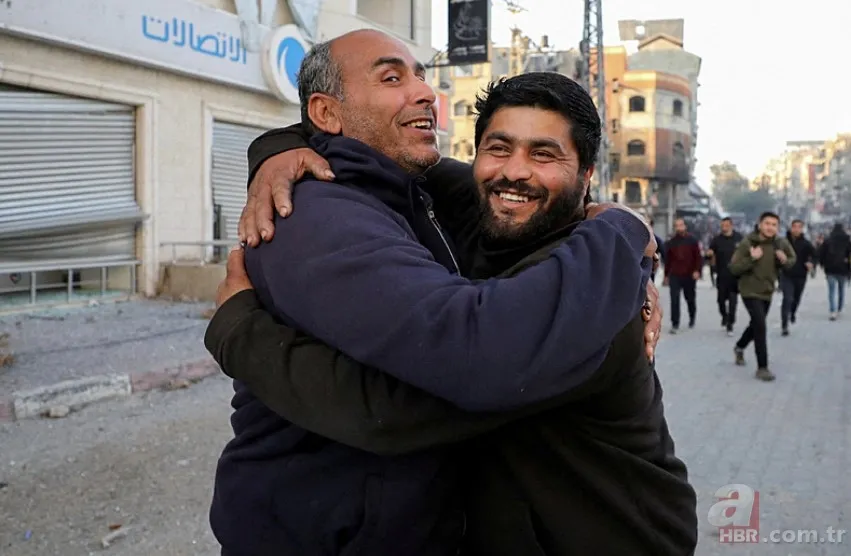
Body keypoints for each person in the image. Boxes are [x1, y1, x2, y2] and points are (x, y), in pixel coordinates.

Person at [208, 31, 678, 556]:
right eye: (392, 77)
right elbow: (412, 396)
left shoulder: (591, 288)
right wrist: (277, 148)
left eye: (544, 154)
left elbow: (405, 405)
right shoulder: (328, 216)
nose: (515, 171)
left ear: (587, 176)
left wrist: (240, 335)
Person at [729, 212, 796, 381]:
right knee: (760, 326)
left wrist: (784, 260)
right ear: (760, 224)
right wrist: (752, 258)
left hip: (767, 290)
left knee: (755, 325)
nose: (770, 227)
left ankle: (739, 346)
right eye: (767, 223)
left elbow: (792, 259)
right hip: (749, 291)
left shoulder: (780, 243)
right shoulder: (748, 243)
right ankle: (762, 367)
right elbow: (734, 268)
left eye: (774, 225)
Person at [663, 218, 703, 333]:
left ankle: (692, 317)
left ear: (685, 226)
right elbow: (668, 261)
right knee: (674, 299)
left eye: (681, 225)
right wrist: (666, 276)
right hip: (675, 275)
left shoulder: (692, 240)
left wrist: (697, 271)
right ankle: (675, 323)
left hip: (689, 275)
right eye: (677, 226)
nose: (679, 228)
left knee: (690, 298)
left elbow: (698, 257)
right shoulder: (671, 242)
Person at [707, 217, 743, 336]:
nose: (724, 227)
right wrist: (709, 254)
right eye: (722, 225)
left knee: (733, 301)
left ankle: (730, 324)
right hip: (722, 275)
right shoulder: (717, 239)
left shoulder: (739, 238)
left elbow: (746, 253)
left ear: (731, 226)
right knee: (721, 300)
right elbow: (709, 252)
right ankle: (724, 315)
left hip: (735, 275)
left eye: (726, 225)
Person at [779, 219, 816, 335]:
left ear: (802, 229)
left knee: (796, 298)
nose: (796, 229)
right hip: (786, 274)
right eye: (794, 227)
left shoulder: (806, 243)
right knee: (787, 299)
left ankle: (793, 312)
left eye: (799, 227)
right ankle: (784, 325)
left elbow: (815, 255)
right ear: (790, 228)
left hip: (800, 275)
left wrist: (811, 263)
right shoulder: (783, 242)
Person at [817, 222, 851, 320]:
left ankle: (832, 310)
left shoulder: (828, 240)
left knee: (831, 291)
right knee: (841, 289)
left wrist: (823, 264)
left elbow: (821, 253)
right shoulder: (847, 240)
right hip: (843, 268)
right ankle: (839, 308)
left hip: (830, 269)